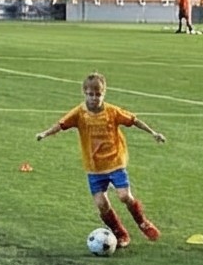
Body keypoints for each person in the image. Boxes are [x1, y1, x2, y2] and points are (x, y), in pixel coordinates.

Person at [35, 74, 166, 246]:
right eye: (90, 94)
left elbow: (134, 120)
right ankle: (120, 233)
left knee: (124, 196)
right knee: (101, 204)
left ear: (104, 93)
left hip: (115, 162)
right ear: (84, 93)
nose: (94, 98)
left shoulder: (112, 111)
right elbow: (61, 125)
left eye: (98, 94)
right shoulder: (79, 113)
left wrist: (153, 133)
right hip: (94, 167)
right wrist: (45, 133)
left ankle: (143, 223)